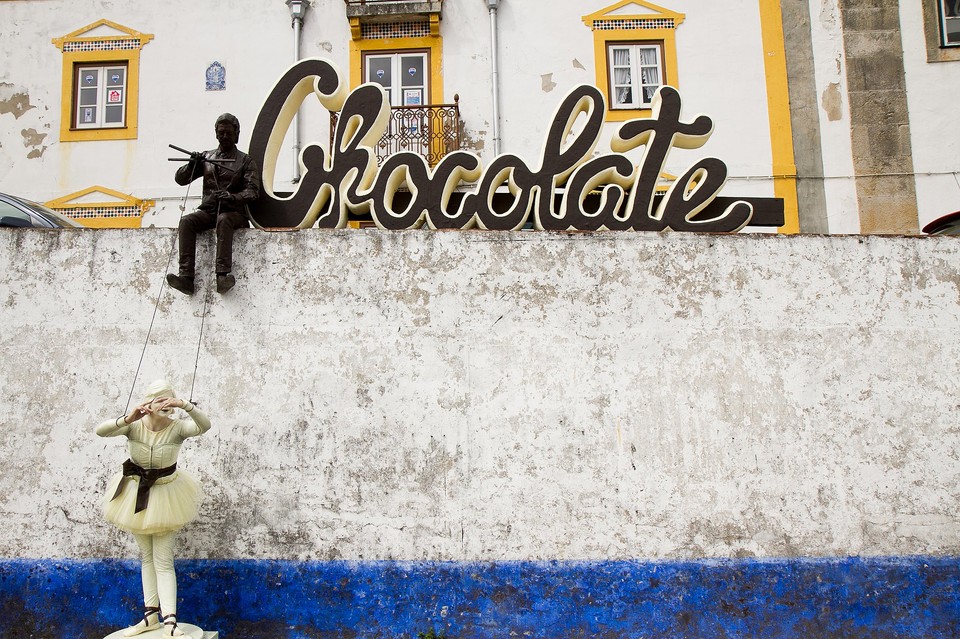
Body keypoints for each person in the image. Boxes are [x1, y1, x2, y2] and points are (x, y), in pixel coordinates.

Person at [96, 380, 212, 637]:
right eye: (157, 399)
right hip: (135, 494)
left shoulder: (178, 428)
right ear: (148, 402)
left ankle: (170, 620)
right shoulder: (134, 427)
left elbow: (204, 426)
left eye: (167, 399)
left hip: (166, 495)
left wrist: (186, 405)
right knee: (146, 557)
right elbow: (100, 431)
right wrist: (127, 418)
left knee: (163, 559)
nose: (163, 404)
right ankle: (150, 617)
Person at [167, 113, 260, 295]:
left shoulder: (245, 161)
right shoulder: (207, 157)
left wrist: (232, 197)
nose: (224, 136)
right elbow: (181, 179)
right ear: (216, 134)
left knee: (224, 220)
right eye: (221, 133)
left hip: (233, 213)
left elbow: (253, 191)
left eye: (229, 133)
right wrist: (191, 164)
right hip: (209, 211)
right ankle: (186, 277)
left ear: (237, 134)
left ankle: (222, 275)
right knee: (186, 221)